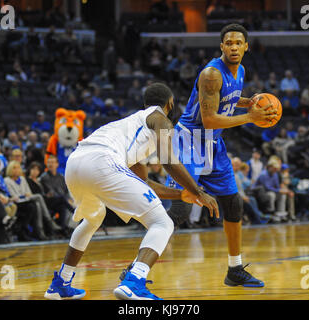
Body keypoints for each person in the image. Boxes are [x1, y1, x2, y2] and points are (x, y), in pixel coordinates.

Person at [43, 82, 219, 300]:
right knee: (163, 223)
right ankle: (134, 281)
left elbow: (142, 182)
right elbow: (168, 161)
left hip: (76, 163)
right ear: (170, 104)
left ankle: (61, 281)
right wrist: (198, 190)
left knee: (93, 219)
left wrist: (181, 194)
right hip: (102, 161)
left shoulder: (132, 127)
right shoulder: (160, 119)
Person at [161, 24, 276, 288]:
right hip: (188, 142)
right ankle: (137, 268)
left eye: (238, 43)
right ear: (221, 47)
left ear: (246, 46)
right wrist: (251, 117)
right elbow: (210, 118)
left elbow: (227, 99)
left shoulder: (240, 71)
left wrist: (249, 102)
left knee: (234, 204)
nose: (234, 47)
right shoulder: (211, 74)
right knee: (180, 210)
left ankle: (235, 269)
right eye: (229, 43)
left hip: (213, 144)